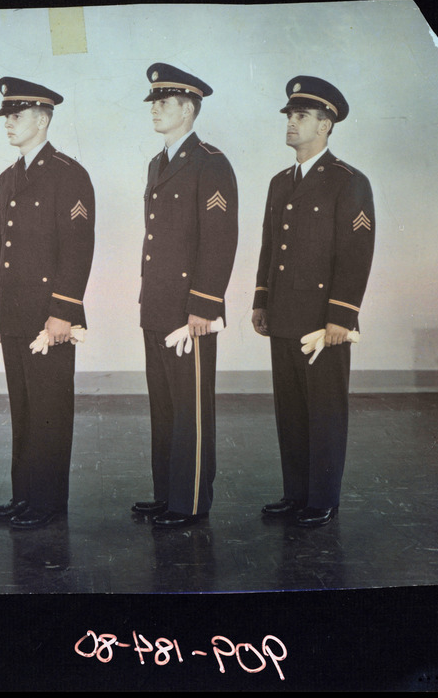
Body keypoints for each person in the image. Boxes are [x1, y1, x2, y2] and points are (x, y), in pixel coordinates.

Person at [251, 76, 375, 528]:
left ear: (325, 125)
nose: (291, 122)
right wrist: (261, 300)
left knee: (324, 410)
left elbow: (356, 254)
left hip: (323, 322)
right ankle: (295, 493)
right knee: (291, 412)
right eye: (289, 114)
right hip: (284, 315)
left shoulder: (348, 181)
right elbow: (270, 247)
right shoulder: (280, 182)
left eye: (301, 116)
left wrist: (343, 316)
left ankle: (321, 497)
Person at [0, 77, 95, 530]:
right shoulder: (8, 177)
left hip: (50, 315)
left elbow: (77, 248)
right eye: (7, 116)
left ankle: (47, 502)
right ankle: (25, 495)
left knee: (49, 409)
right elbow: (1, 249)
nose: (9, 123)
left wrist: (63, 312)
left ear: (43, 119)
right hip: (14, 312)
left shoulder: (68, 173)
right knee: (24, 408)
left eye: (17, 115)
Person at [133, 63, 238, 530]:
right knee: (166, 407)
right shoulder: (159, 162)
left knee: (191, 408)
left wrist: (204, 306)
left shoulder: (210, 162)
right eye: (153, 102)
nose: (155, 109)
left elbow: (219, 239)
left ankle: (191, 500)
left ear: (189, 109)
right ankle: (167, 494)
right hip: (157, 304)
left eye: (165, 102)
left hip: (188, 310)